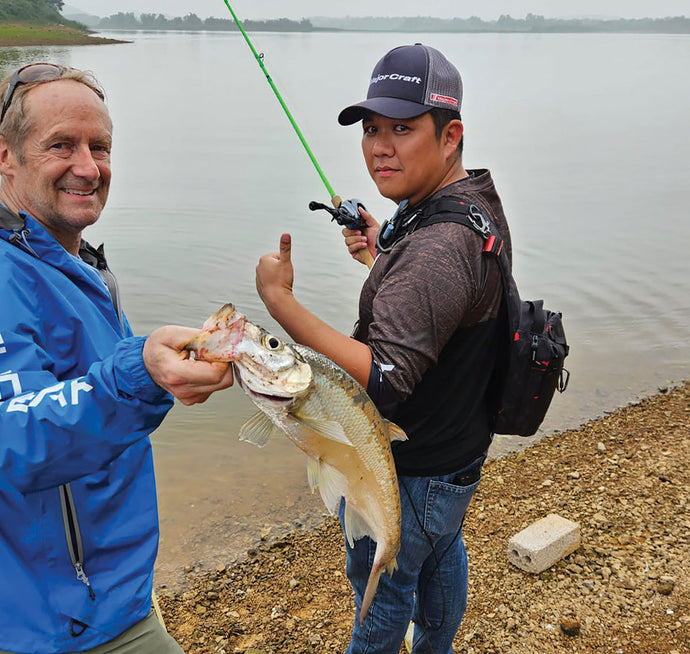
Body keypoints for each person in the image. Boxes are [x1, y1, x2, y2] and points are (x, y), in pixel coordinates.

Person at [255, 44, 512, 653]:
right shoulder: (469, 205)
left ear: (450, 136)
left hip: (410, 468)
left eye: (403, 128)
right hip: (458, 456)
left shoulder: (435, 247)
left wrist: (280, 305)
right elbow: (450, 302)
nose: (379, 146)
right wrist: (382, 253)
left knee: (383, 591)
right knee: (441, 548)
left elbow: (385, 379)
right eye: (372, 129)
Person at [0, 63, 234, 653]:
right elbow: (12, 435)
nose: (88, 167)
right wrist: (139, 374)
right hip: (48, 626)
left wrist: (152, 364)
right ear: (6, 157)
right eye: (61, 145)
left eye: (99, 146)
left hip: (108, 598)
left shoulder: (72, 264)